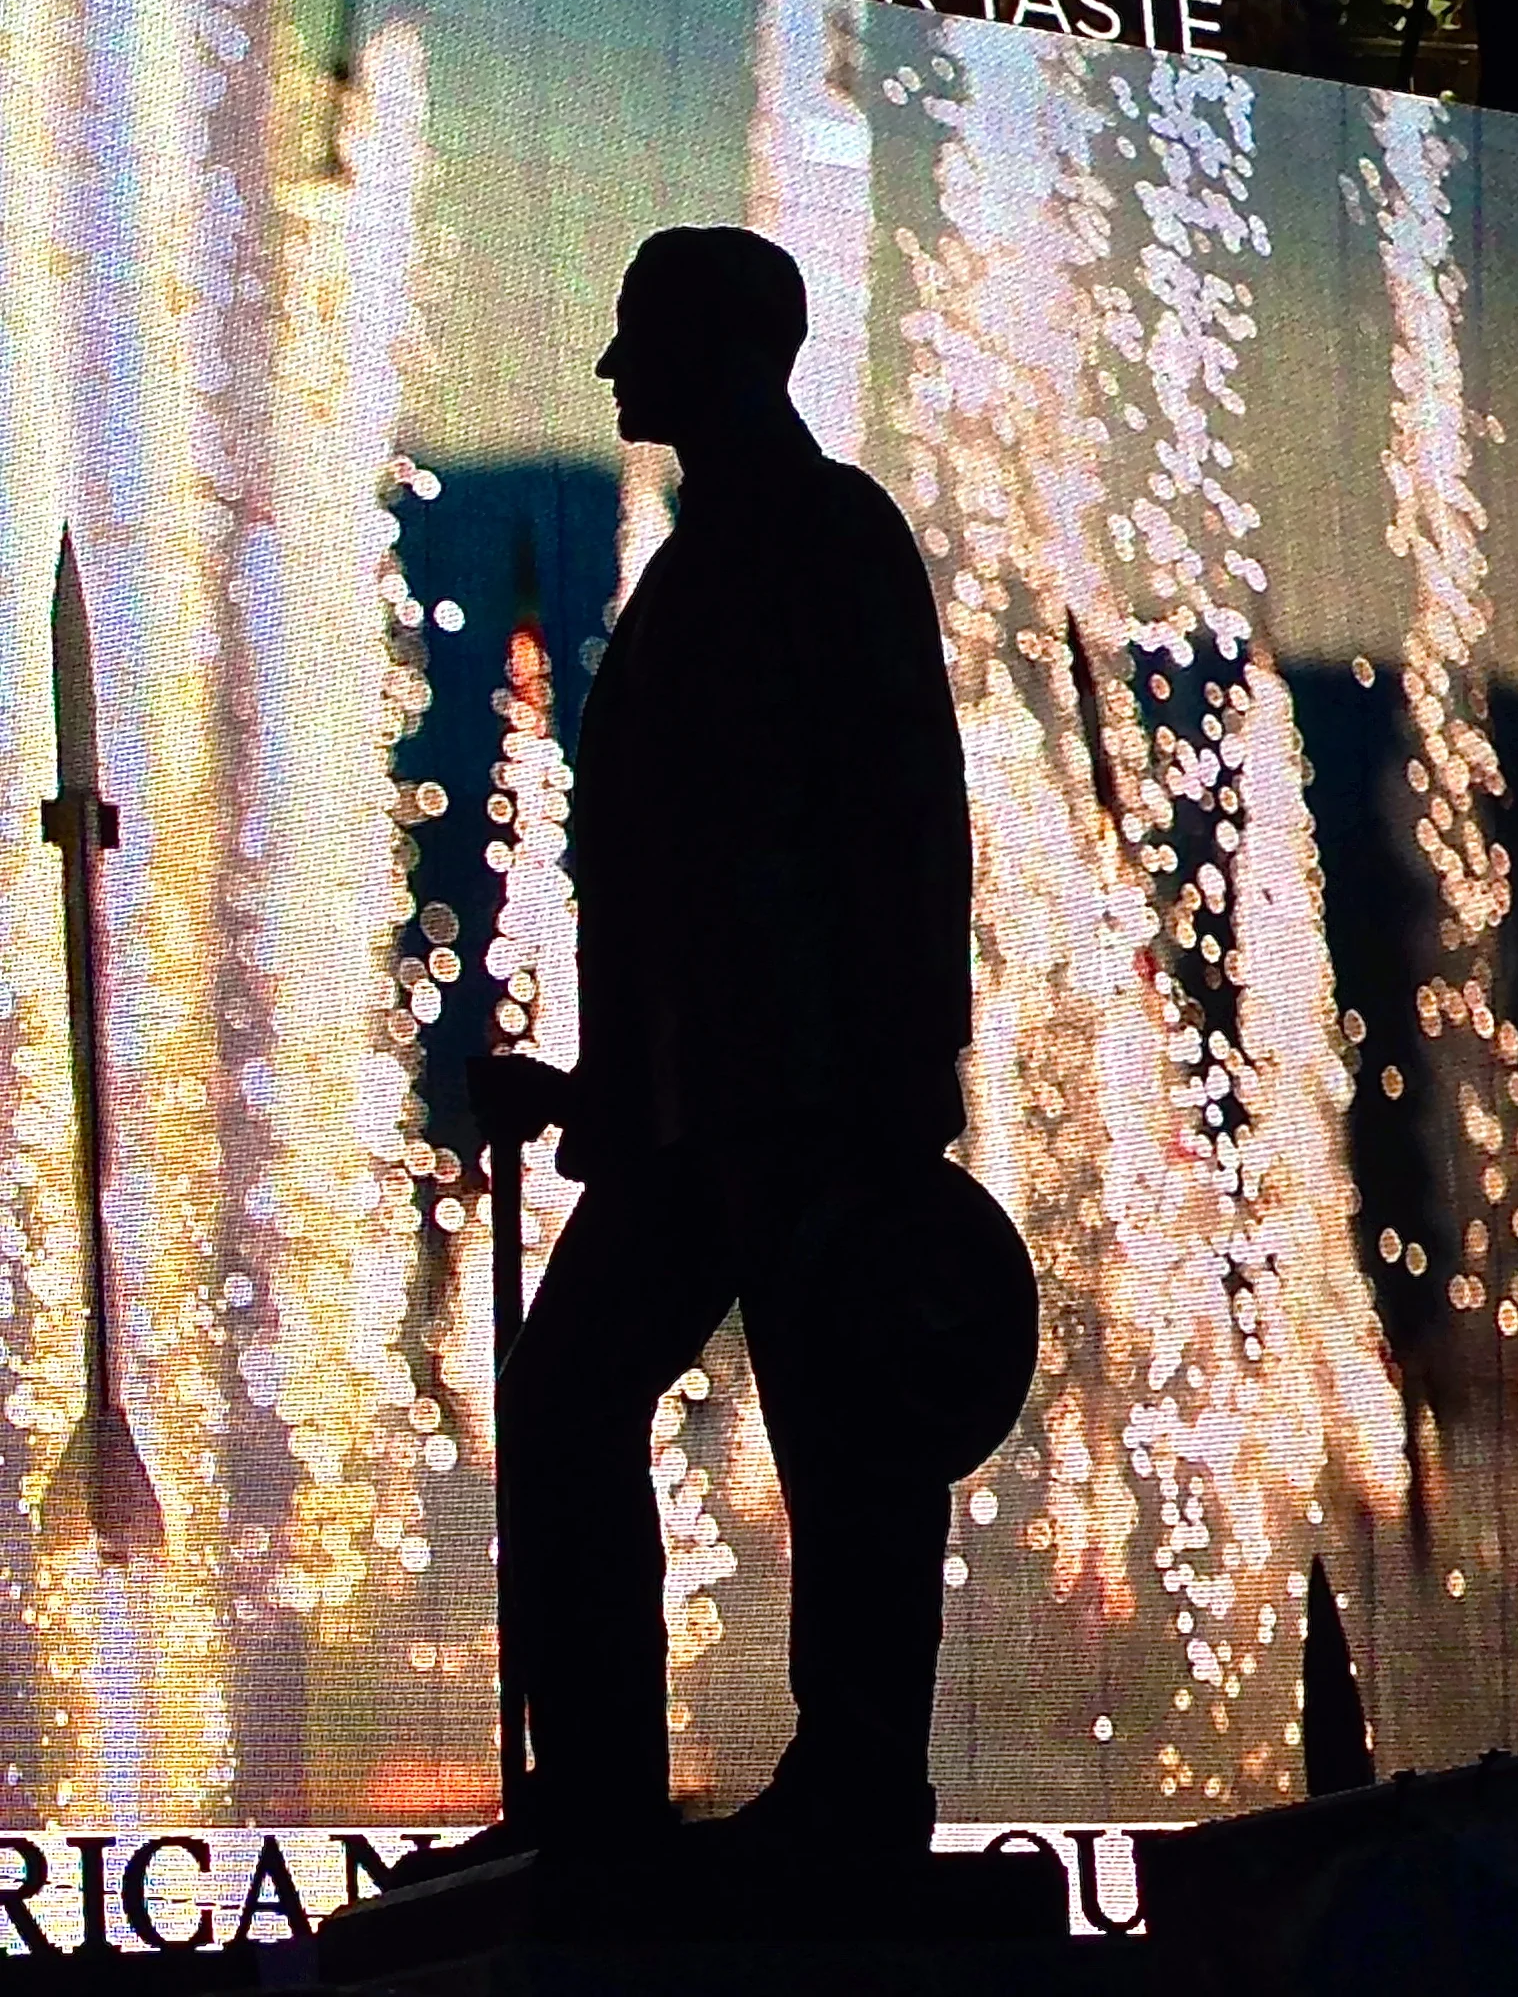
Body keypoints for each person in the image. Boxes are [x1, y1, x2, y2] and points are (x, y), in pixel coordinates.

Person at [398, 228, 1033, 1884]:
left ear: (724, 344)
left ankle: (856, 1796)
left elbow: (906, 823)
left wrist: (906, 1076)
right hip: (691, 1120)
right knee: (564, 1410)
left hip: (813, 1101)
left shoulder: (826, 533)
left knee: (847, 1443)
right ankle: (606, 1795)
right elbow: (681, 884)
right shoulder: (705, 559)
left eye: (639, 337)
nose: (614, 373)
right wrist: (591, 1091)